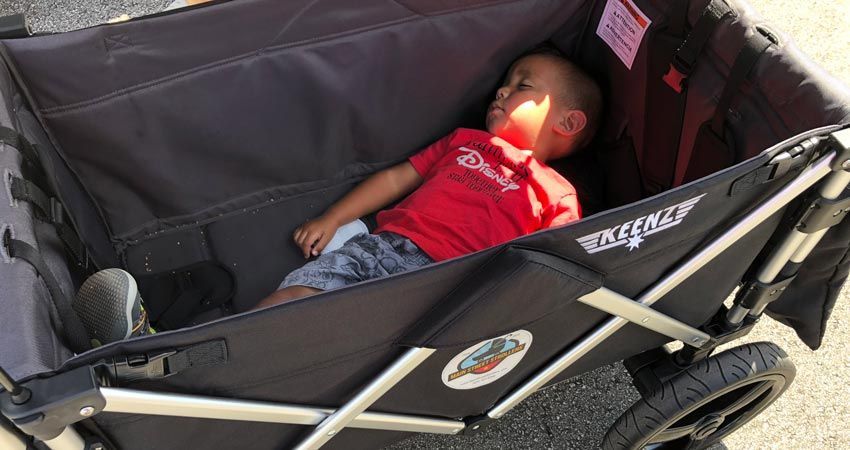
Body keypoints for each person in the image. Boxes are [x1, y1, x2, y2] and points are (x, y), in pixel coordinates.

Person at [253, 46, 603, 310]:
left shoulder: (556, 192)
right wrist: (334, 217)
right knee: (294, 298)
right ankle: (224, 369)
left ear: (568, 123)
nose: (502, 90)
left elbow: (551, 262)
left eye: (522, 85)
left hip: (456, 281)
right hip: (384, 247)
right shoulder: (465, 140)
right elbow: (396, 180)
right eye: (505, 83)